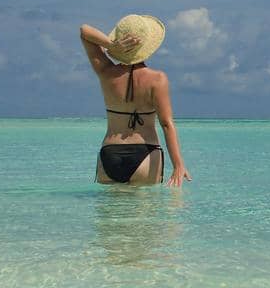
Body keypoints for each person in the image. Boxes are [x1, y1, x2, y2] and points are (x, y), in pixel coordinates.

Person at [80, 14, 191, 187]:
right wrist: (178, 164)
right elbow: (167, 124)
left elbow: (84, 31)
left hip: (109, 154)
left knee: (112, 213)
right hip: (145, 153)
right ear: (147, 46)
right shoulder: (157, 79)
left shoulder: (105, 72)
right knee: (143, 213)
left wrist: (111, 45)